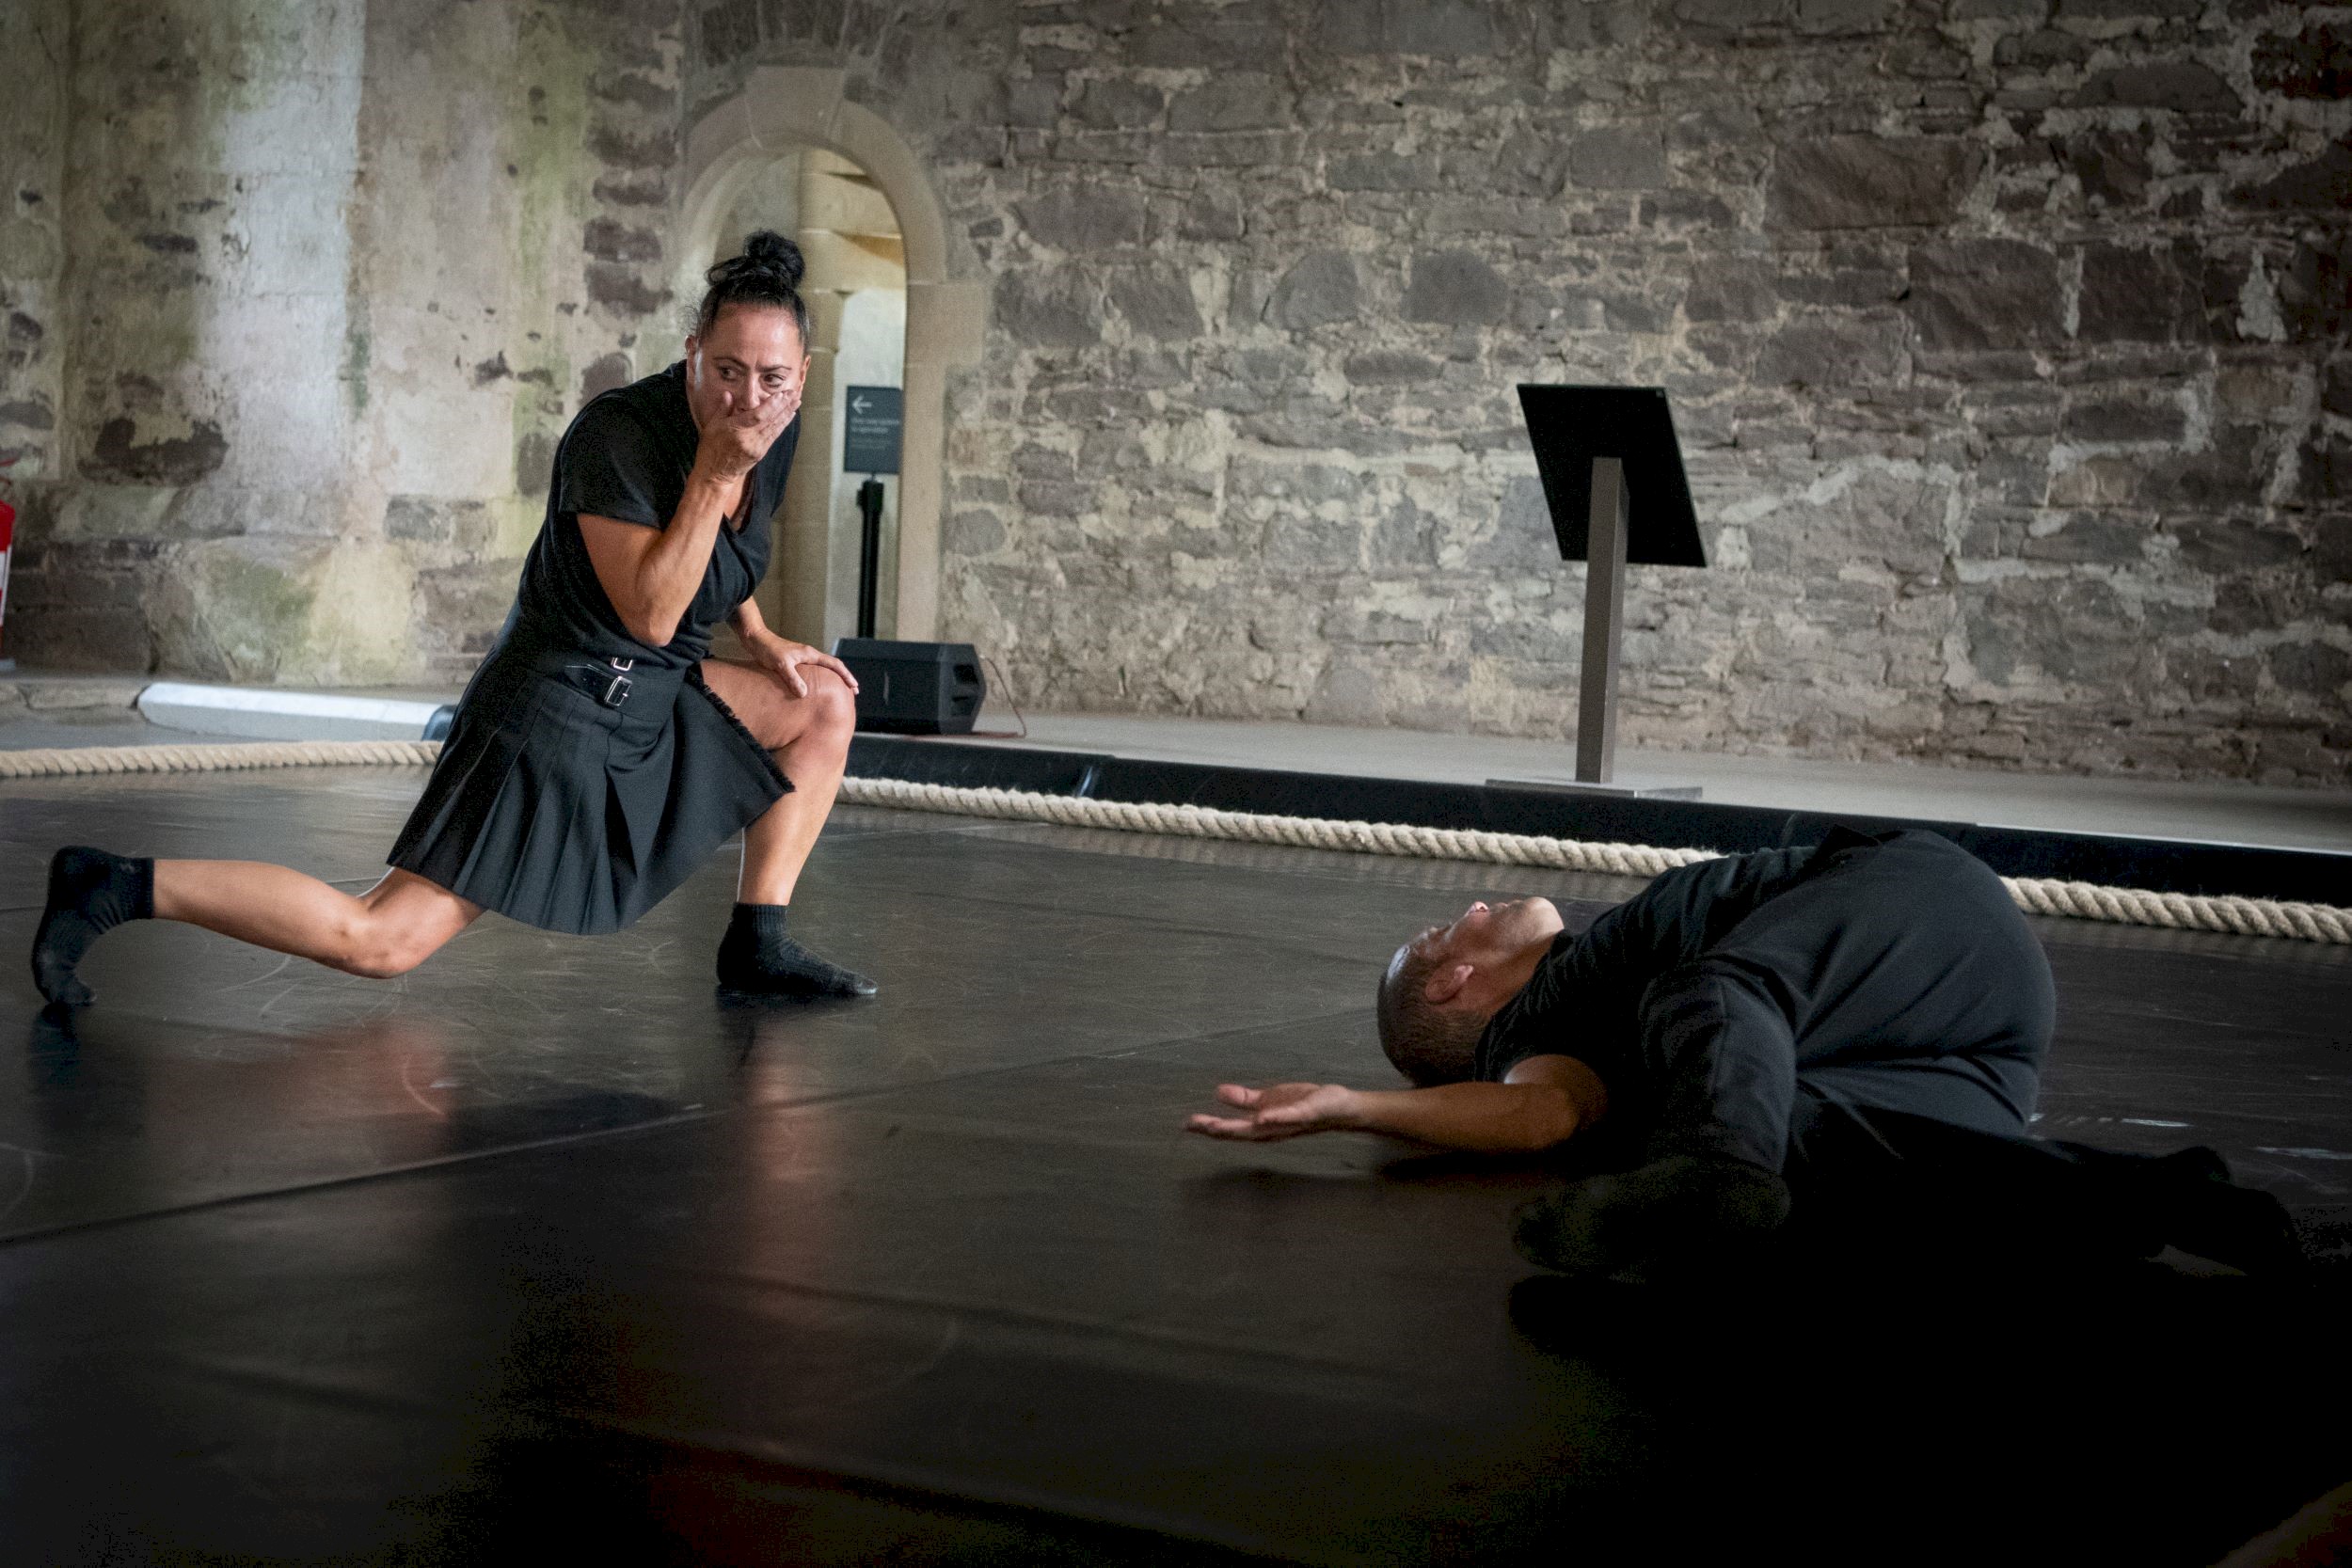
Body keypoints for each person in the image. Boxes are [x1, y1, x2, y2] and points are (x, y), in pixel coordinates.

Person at [32, 231, 876, 1005]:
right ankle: (114, 883)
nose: (747, 400)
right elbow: (654, 612)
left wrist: (759, 635)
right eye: (727, 371)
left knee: (824, 703)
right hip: (561, 706)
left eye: (773, 380)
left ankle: (756, 941)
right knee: (381, 940)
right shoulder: (616, 438)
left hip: (657, 693)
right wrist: (713, 475)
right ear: (692, 353)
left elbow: (727, 555)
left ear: (802, 377)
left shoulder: (774, 424)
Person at [1187, 827, 2300, 1281]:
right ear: (1453, 985)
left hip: (1930, 918)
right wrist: (1355, 1102)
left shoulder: (1615, 975)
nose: (1473, 902)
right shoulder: (1546, 1037)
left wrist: (1358, 1102)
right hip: (1959, 1061)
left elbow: (1544, 1118)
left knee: (1713, 988)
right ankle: (2175, 1199)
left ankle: (1717, 1172)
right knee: (1811, 1150)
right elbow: (1539, 1114)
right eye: (1447, 929)